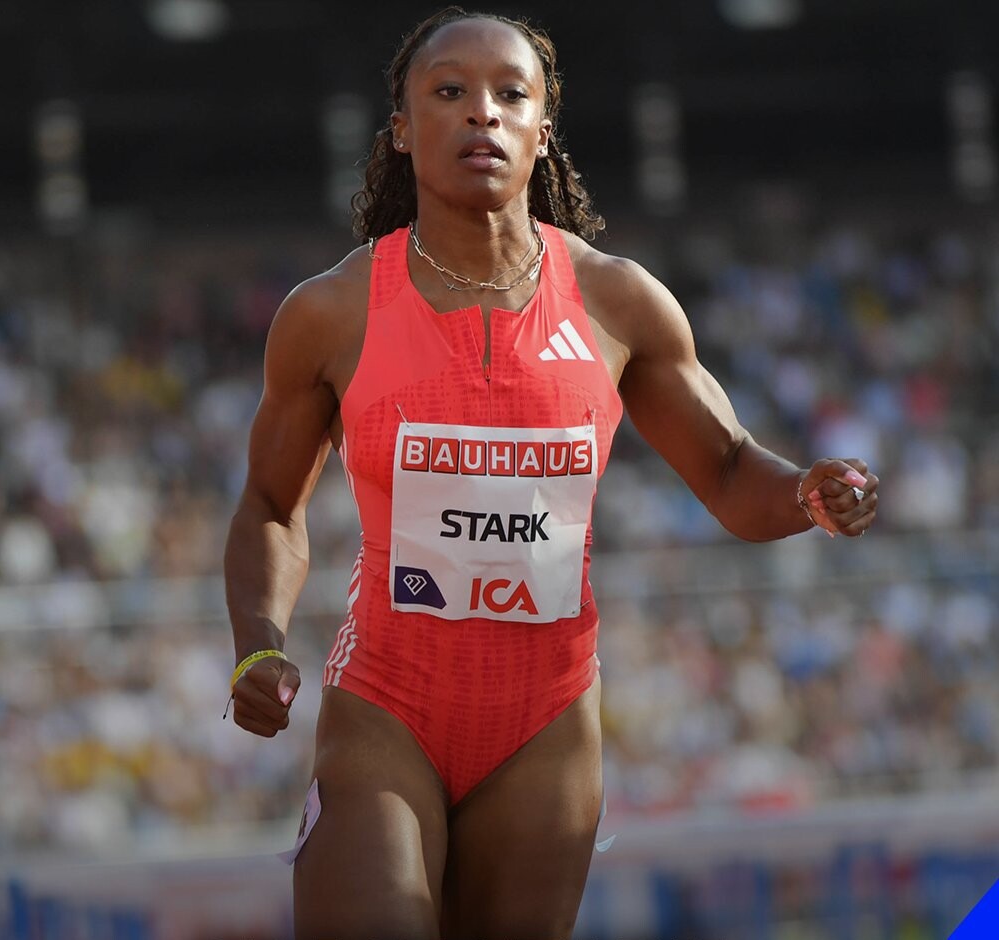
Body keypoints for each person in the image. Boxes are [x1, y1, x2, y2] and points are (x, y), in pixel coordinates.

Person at [223, 6, 879, 939]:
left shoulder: (618, 301)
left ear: (542, 128)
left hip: (546, 724)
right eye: (449, 92)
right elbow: (268, 504)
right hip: (387, 707)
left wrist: (804, 492)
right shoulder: (332, 313)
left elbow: (733, 471)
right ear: (402, 129)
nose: (481, 112)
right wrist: (258, 641)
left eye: (510, 94)